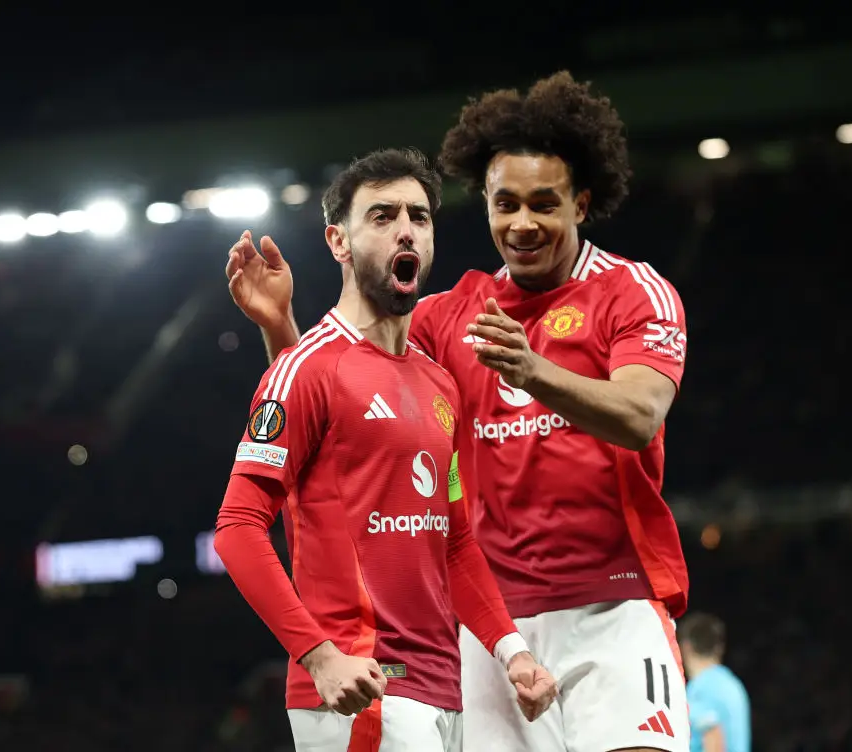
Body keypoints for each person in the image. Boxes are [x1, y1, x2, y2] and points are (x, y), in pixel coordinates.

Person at [226, 72, 691, 752]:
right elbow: (344, 390)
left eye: (544, 203)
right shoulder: (452, 314)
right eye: (505, 204)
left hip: (611, 605)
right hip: (488, 629)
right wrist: (281, 329)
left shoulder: (631, 292)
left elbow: (641, 413)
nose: (522, 223)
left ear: (581, 204)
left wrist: (531, 370)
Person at [214, 147, 557, 752]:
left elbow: (453, 542)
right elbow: (238, 528)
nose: (406, 229)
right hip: (363, 687)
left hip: (442, 692)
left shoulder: (439, 382)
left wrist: (513, 651)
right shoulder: (307, 368)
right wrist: (319, 657)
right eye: (382, 216)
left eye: (419, 217)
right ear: (338, 242)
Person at [679, 613, 750, 752]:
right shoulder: (734, 685)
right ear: (719, 647)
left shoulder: (701, 688)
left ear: (685, 646)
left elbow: (712, 736)